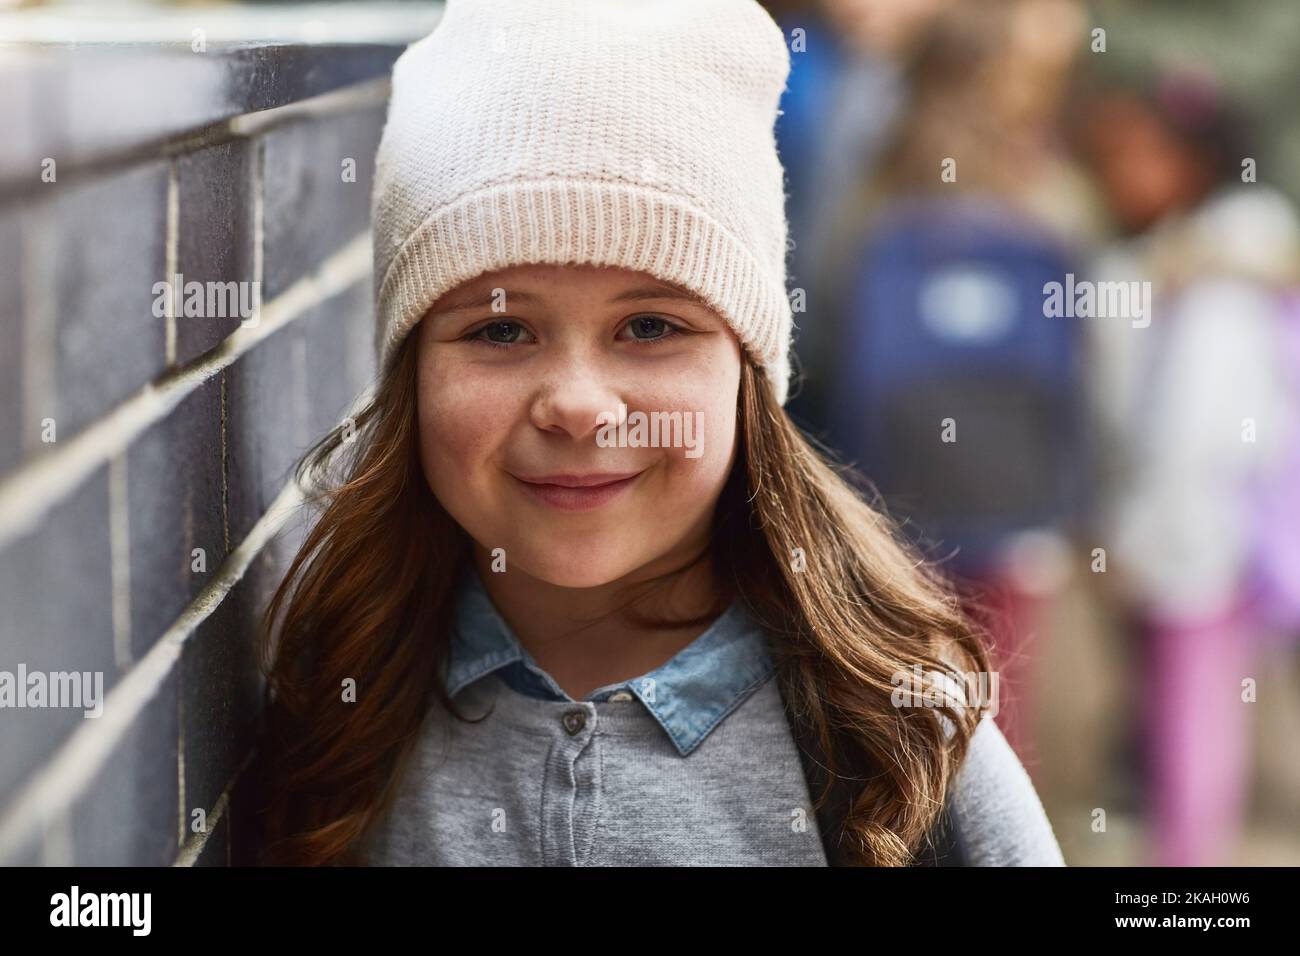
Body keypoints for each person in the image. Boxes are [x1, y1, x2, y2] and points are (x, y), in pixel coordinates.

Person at [246, 0, 1064, 867]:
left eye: (649, 328)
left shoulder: (894, 735)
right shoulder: (335, 705)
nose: (578, 404)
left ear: (748, 372)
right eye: (499, 331)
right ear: (411, 370)